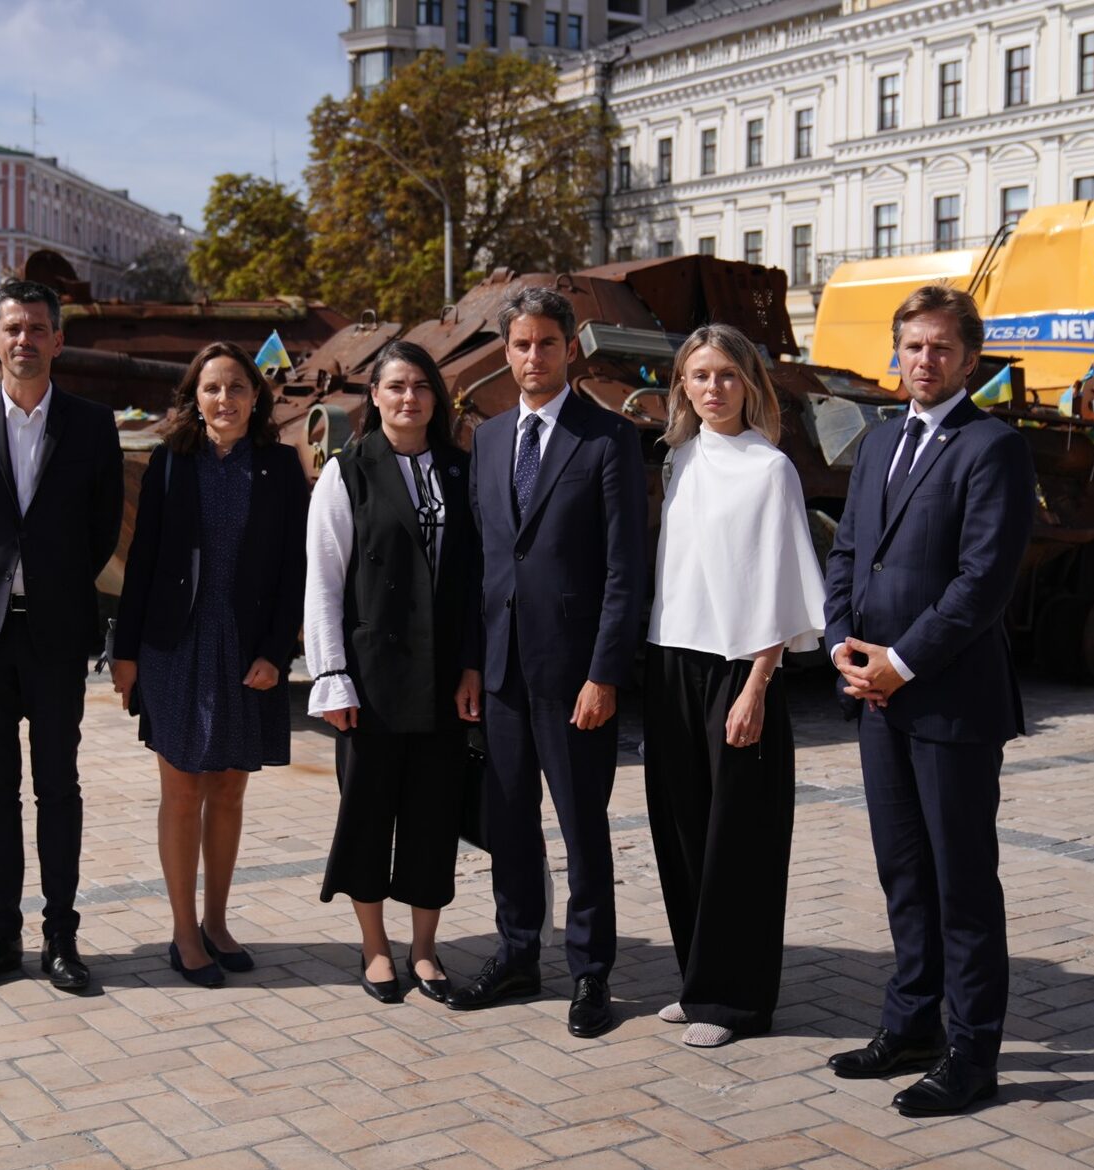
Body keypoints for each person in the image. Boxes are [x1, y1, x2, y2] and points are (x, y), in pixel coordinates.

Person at [823, 283, 1035, 1116]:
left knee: (962, 886)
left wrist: (900, 663)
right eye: (912, 346)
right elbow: (848, 552)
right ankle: (911, 1025)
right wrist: (842, 643)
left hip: (949, 703)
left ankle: (973, 1055)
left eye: (941, 348)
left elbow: (982, 584)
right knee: (903, 873)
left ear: (970, 359)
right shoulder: (877, 444)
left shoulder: (994, 449)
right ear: (896, 351)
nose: (924, 360)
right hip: (877, 699)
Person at [450, 286, 646, 1038]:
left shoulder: (607, 439)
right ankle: (518, 950)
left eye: (547, 344)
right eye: (521, 345)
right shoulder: (491, 439)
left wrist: (605, 673)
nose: (533, 357)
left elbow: (626, 571)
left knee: (581, 825)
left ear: (571, 349)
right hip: (499, 672)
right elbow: (480, 565)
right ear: (506, 352)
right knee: (509, 821)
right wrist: (471, 663)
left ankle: (591, 972)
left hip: (575, 679)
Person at [0, 279, 124, 996]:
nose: (24, 340)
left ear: (57, 339)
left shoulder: (91, 424)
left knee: (58, 789)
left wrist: (52, 577)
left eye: (37, 329)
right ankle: (0, 935)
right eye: (12, 328)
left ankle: (62, 937)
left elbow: (102, 526)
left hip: (56, 635)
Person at [643, 325, 825, 1047]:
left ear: (748, 382)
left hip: (738, 671)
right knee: (681, 831)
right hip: (671, 662)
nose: (712, 388)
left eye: (725, 375)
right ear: (681, 387)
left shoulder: (769, 468)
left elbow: (779, 580)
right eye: (698, 375)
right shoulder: (677, 461)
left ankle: (737, 1002)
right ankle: (698, 983)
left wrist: (757, 684)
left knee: (737, 844)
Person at [112, 341, 308, 989]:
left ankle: (218, 923)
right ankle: (182, 930)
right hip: (175, 647)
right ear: (194, 400)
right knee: (183, 789)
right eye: (212, 389)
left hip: (246, 649)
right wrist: (126, 652)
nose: (225, 400)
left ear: (257, 398)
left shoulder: (281, 468)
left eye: (236, 388)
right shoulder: (171, 463)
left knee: (227, 787)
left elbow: (292, 571)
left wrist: (275, 654)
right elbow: (140, 565)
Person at [303, 340, 480, 1004]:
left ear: (437, 398)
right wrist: (330, 677)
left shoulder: (461, 472)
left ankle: (426, 951)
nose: (410, 399)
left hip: (442, 680)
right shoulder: (347, 471)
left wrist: (471, 666)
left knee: (435, 817)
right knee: (369, 815)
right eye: (396, 387)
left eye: (421, 387)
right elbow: (323, 583)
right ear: (374, 396)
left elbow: (476, 581)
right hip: (372, 680)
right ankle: (376, 949)